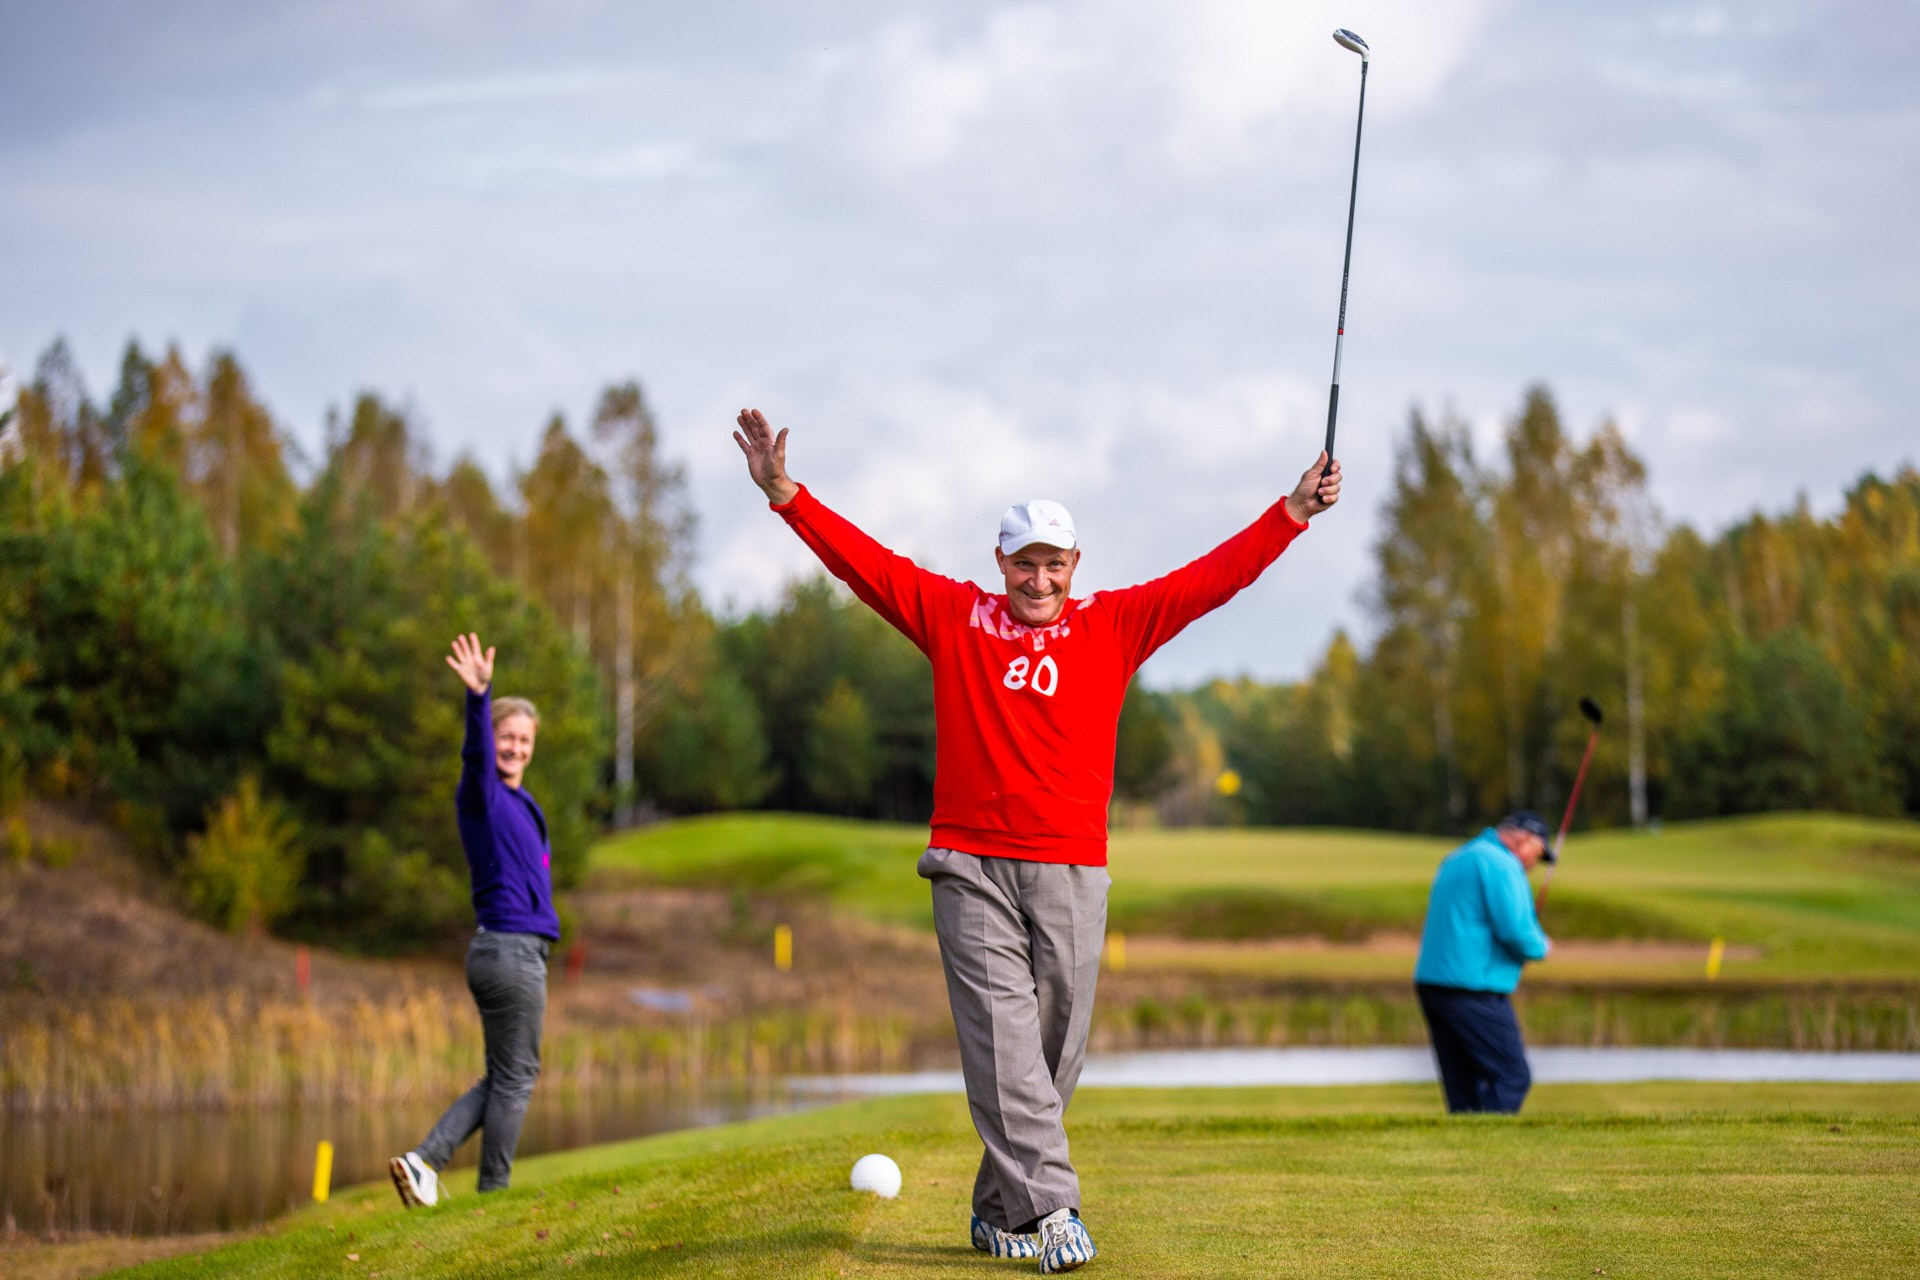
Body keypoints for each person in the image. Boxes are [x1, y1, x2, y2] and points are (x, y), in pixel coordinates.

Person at [732, 407, 1340, 1274]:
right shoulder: (952, 616)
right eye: (1026, 563)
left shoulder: (1113, 625)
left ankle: (993, 1211)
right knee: (1004, 1041)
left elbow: (1212, 579)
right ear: (1002, 562)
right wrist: (787, 496)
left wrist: (1291, 512)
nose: (1040, 579)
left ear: (1074, 566)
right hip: (970, 865)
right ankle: (1053, 1209)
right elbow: (866, 566)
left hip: (1072, 869)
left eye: (1054, 563)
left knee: (1054, 1053)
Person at [390, 633, 561, 1207]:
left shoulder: (523, 803)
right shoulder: (481, 793)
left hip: (508, 950)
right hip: (510, 952)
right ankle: (489, 1192)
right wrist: (478, 698)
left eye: (523, 739)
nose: (514, 747)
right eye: (505, 737)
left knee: (502, 1077)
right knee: (516, 1078)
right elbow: (474, 755)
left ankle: (424, 1162)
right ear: (490, 742)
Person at [1413, 810, 1554, 1114]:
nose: (1532, 865)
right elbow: (1517, 932)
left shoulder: (1458, 858)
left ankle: (1464, 1154)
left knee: (1464, 1088)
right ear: (1522, 840)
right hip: (1471, 988)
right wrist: (1542, 946)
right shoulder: (1502, 864)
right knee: (1512, 1076)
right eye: (1537, 853)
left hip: (1433, 985)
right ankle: (1489, 1152)